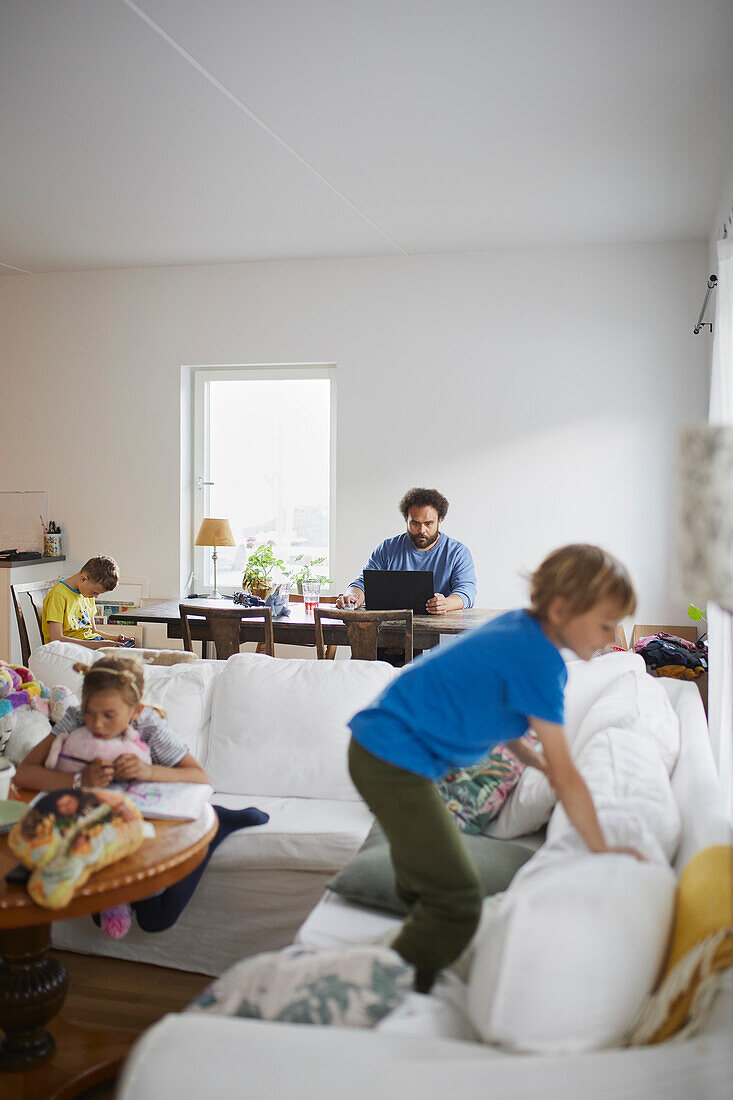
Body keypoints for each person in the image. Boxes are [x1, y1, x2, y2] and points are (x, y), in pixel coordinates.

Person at [347, 543, 641, 995]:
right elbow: (566, 777)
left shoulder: (518, 629)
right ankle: (371, 989)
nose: (611, 637)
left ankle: (406, 964)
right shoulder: (539, 663)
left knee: (422, 886)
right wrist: (604, 849)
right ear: (562, 608)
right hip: (389, 759)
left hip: (382, 752)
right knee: (458, 902)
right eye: (604, 624)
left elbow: (488, 705)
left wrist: (530, 758)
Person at [15, 656, 268, 938]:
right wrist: (79, 781)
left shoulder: (149, 725)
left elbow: (199, 777)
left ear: (135, 711)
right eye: (90, 712)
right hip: (103, 823)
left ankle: (221, 824)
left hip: (153, 820)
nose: (96, 723)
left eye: (109, 715)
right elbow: (24, 774)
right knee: (100, 916)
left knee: (156, 918)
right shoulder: (75, 719)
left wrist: (149, 771)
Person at [336, 488, 476, 614]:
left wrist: (446, 603)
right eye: (415, 523)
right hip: (391, 631)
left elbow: (466, 592)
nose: (422, 530)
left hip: (441, 634)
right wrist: (353, 596)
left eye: (428, 524)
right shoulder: (387, 548)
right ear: (406, 519)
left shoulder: (458, 553)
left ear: (440, 520)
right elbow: (362, 583)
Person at [42, 556, 133, 649]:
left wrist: (116, 639)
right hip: (67, 649)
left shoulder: (87, 594)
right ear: (83, 579)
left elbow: (93, 631)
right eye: (95, 592)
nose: (96, 596)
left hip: (91, 644)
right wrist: (101, 644)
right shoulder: (58, 595)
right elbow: (56, 639)